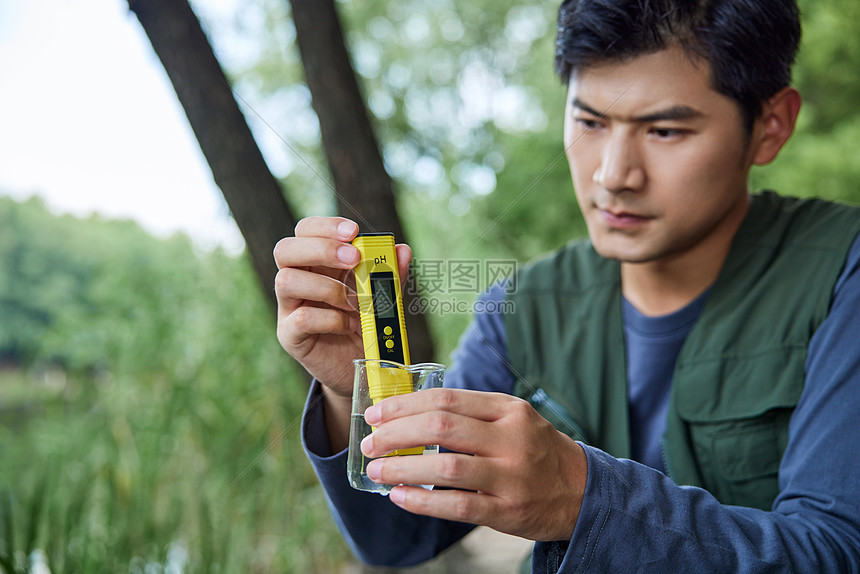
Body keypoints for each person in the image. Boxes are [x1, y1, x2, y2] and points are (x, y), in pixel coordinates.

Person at [273, 0, 860, 571]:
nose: (613, 175)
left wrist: (582, 500)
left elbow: (837, 550)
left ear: (771, 126)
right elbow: (399, 536)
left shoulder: (841, 276)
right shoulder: (522, 309)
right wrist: (356, 393)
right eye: (589, 122)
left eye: (663, 131)